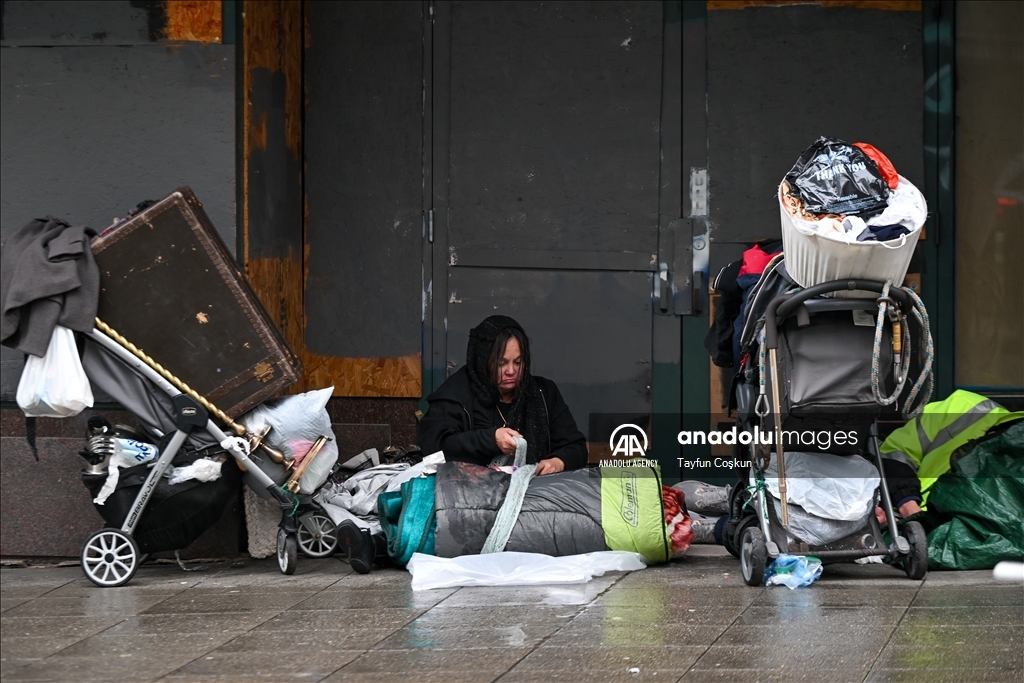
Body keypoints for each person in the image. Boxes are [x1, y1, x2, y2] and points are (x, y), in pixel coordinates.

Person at [417, 314, 588, 474]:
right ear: (484, 362)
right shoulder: (457, 393)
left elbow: (576, 447)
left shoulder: (543, 394)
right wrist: (491, 440)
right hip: (468, 496)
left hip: (533, 495)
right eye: (501, 363)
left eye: (518, 362)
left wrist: (558, 462)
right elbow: (434, 448)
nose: (511, 371)